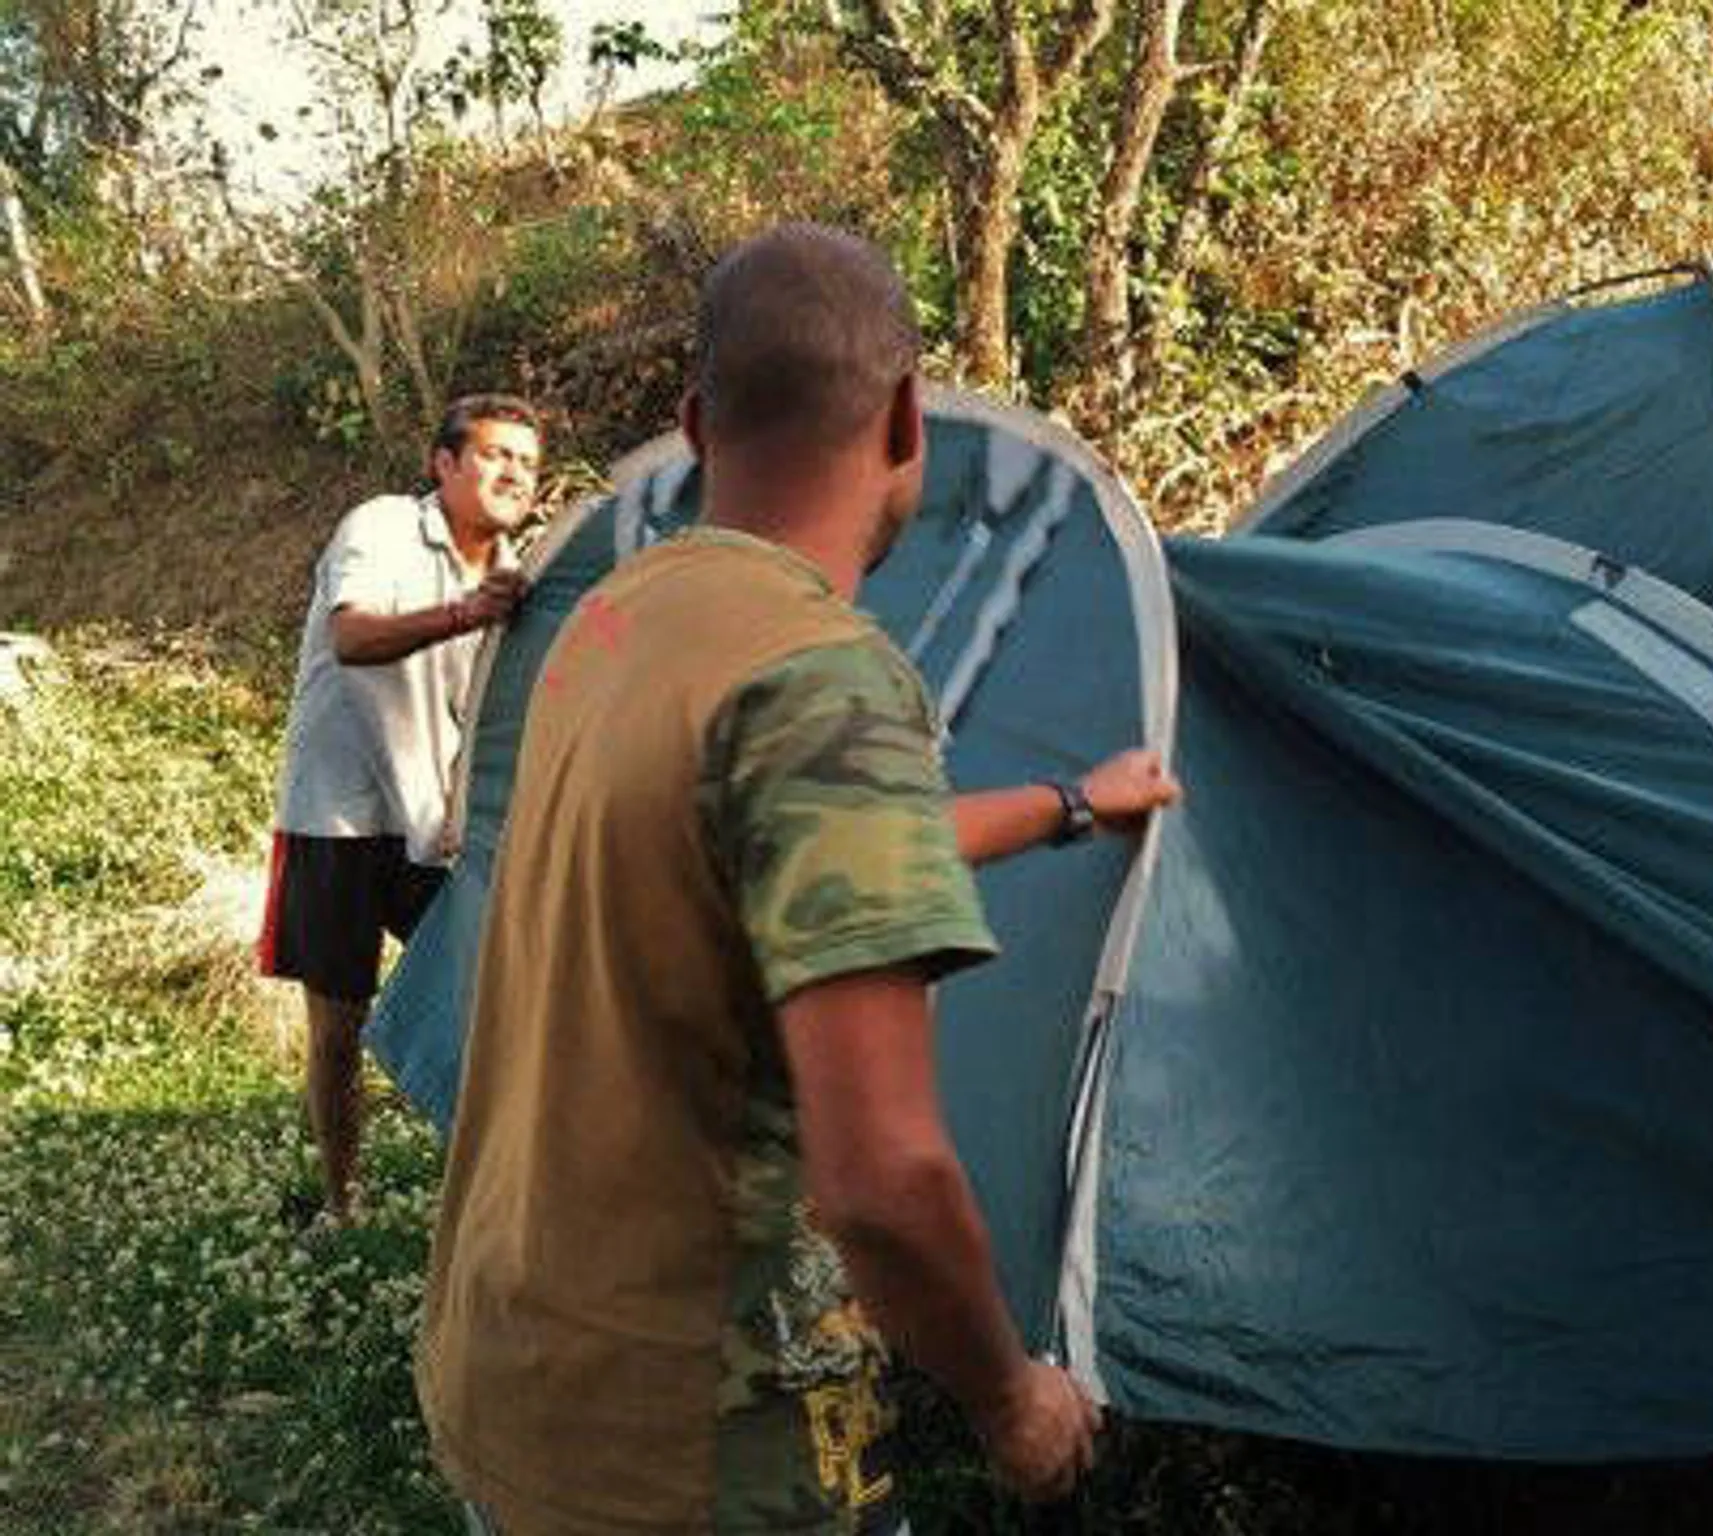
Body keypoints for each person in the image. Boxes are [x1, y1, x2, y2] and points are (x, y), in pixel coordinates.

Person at [416, 224, 1182, 1535]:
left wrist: (1065, 808)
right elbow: (879, 1179)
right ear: (904, 418)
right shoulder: (825, 679)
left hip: (515, 1369)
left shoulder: (619, 616)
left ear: (696, 425)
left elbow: (788, 859)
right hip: (696, 1449)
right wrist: (1012, 1398)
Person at [258, 394, 541, 1223]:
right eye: (494, 455)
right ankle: (344, 1203)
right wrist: (464, 613)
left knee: (496, 1005)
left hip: (435, 826)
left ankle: (493, 1192)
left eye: (527, 463)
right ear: (443, 464)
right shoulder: (380, 527)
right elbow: (352, 639)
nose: (514, 474)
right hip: (335, 814)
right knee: (339, 1026)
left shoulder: (519, 573)